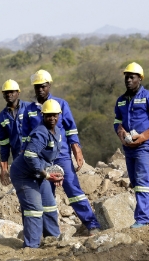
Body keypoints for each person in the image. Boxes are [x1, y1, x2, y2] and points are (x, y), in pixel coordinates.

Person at [21, 70, 102, 236]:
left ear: (49, 85)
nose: (40, 90)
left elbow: (71, 129)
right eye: (37, 87)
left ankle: (92, 225)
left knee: (73, 189)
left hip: (62, 155)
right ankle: (49, 234)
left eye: (43, 86)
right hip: (42, 160)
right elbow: (25, 137)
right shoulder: (29, 109)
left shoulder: (61, 104)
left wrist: (77, 149)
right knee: (46, 195)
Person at [114, 62, 149, 228]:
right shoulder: (121, 101)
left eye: (132, 77)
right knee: (136, 182)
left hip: (145, 146)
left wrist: (143, 137)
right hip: (128, 147)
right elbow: (117, 121)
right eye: (126, 77)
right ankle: (148, 217)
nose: (128, 80)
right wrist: (121, 132)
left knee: (143, 180)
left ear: (140, 79)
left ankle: (143, 219)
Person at [10, 99, 64, 248]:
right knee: (34, 209)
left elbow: (48, 158)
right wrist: (45, 174)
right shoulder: (40, 132)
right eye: (48, 116)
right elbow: (30, 155)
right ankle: (31, 246)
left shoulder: (57, 132)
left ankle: (52, 240)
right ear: (42, 116)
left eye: (55, 115)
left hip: (39, 173)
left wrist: (55, 173)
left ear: (59, 115)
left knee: (49, 206)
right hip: (24, 175)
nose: (52, 118)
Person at [0, 79, 32, 186]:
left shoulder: (30, 108)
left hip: (35, 155)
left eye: (12, 91)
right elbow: (4, 145)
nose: (9, 94)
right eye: (6, 92)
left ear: (18, 93)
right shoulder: (1, 117)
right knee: (24, 188)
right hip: (18, 158)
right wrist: (4, 168)